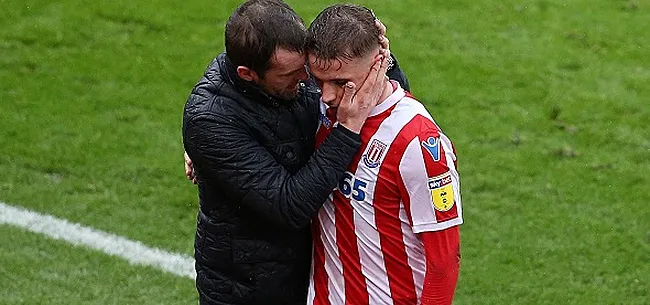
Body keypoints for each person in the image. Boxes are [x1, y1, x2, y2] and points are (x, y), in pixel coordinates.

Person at [182, 1, 409, 304]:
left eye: (306, 67)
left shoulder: (293, 75)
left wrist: (379, 61)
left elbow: (378, 102)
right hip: (249, 290)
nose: (307, 80)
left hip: (315, 275)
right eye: (290, 73)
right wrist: (347, 129)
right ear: (248, 74)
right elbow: (289, 206)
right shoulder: (210, 120)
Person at [305, 4, 463, 305]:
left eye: (341, 83)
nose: (326, 95)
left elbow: (443, 264)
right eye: (317, 79)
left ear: (379, 63)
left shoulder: (417, 143)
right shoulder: (319, 109)